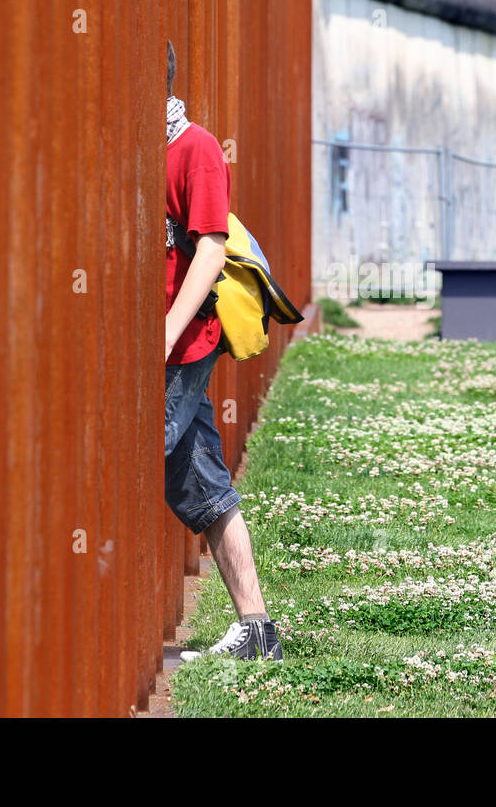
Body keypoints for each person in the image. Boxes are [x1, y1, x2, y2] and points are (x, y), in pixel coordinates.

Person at [164, 39, 282, 661]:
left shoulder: (195, 149)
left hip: (180, 348)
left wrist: (162, 334)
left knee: (124, 461)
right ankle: (257, 629)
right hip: (159, 349)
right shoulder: (132, 150)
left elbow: (210, 247)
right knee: (198, 478)